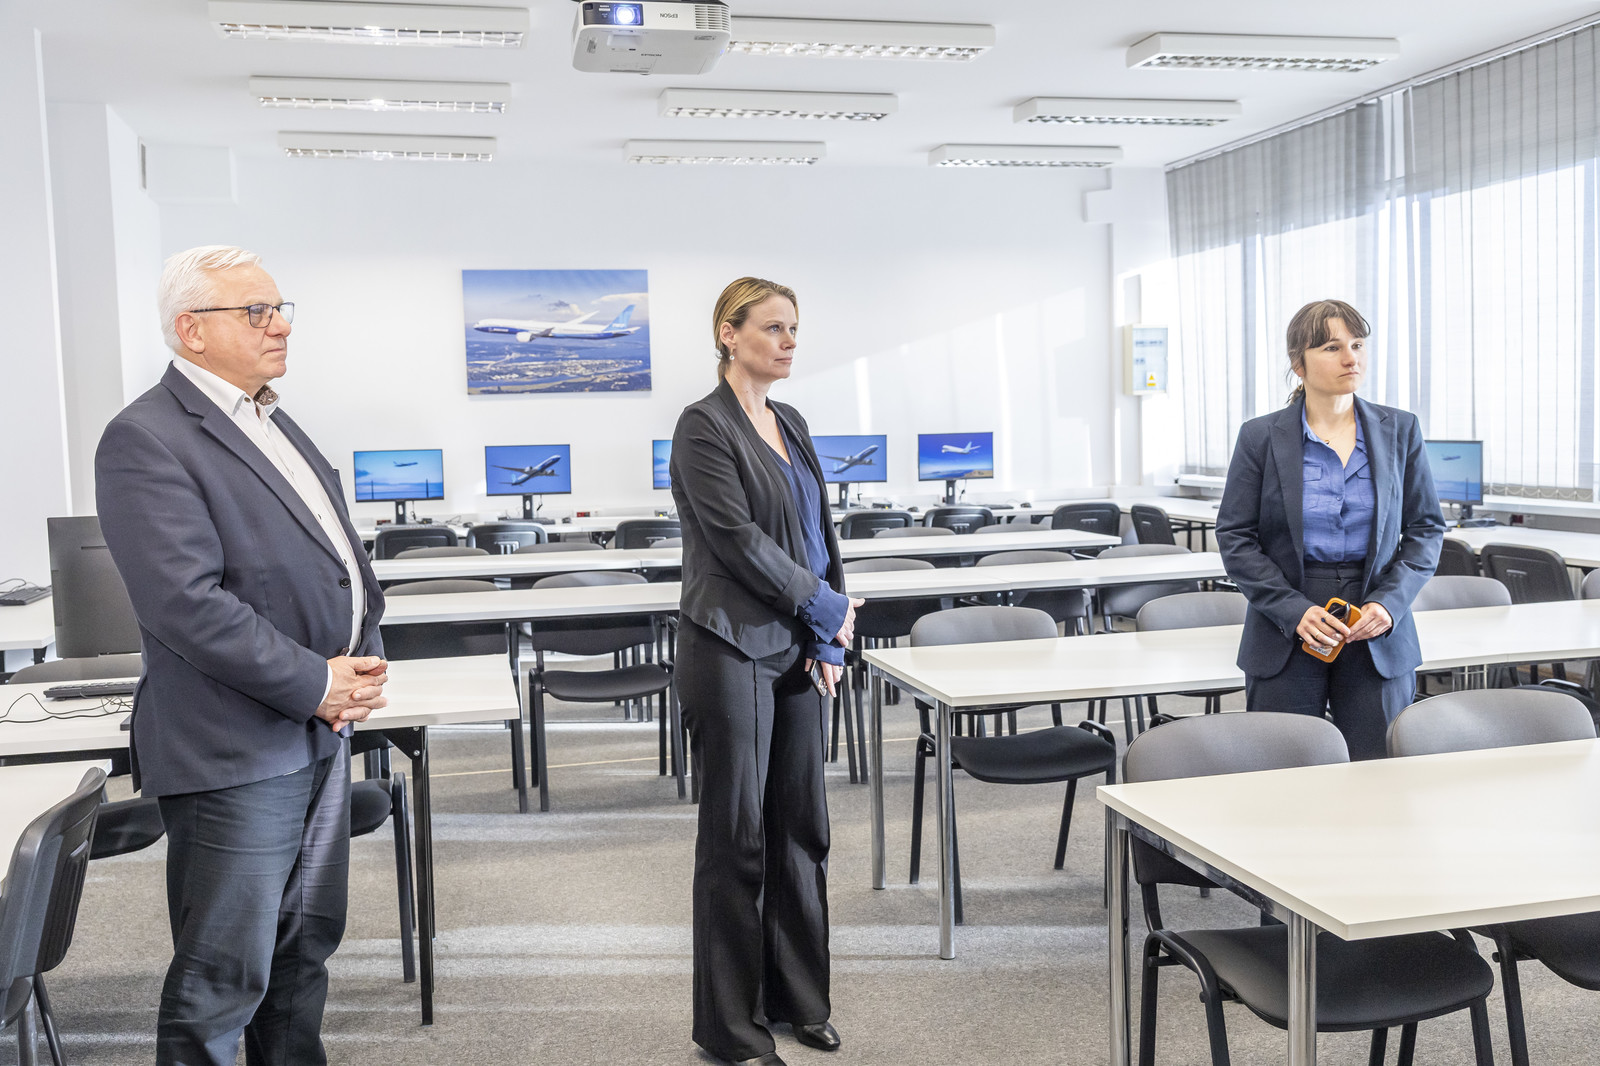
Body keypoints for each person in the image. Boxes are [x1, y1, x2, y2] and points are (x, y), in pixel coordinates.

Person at [95, 245, 388, 1066]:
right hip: (233, 748)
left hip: (316, 732)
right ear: (192, 330)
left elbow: (338, 559)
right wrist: (317, 680)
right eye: (256, 312)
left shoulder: (270, 418)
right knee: (222, 978)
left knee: (301, 955)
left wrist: (358, 656)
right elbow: (185, 604)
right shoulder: (146, 438)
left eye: (280, 308)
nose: (279, 325)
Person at [670, 277, 864, 1066]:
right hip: (730, 648)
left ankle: (799, 1000)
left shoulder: (792, 422)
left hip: (799, 648)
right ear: (729, 333)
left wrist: (829, 635)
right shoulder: (702, 426)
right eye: (774, 328)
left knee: (801, 831)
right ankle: (732, 1029)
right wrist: (828, 608)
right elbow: (737, 540)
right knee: (738, 839)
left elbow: (819, 535)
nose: (789, 342)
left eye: (794, 330)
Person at [1215, 299, 1443, 760]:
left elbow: (1426, 529)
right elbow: (1235, 536)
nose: (1350, 358)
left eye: (1357, 345)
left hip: (1374, 620)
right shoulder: (1260, 436)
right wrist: (1292, 610)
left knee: (1379, 767)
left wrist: (1390, 603)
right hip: (1288, 621)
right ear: (1298, 363)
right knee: (1284, 766)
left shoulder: (1400, 429)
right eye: (1332, 347)